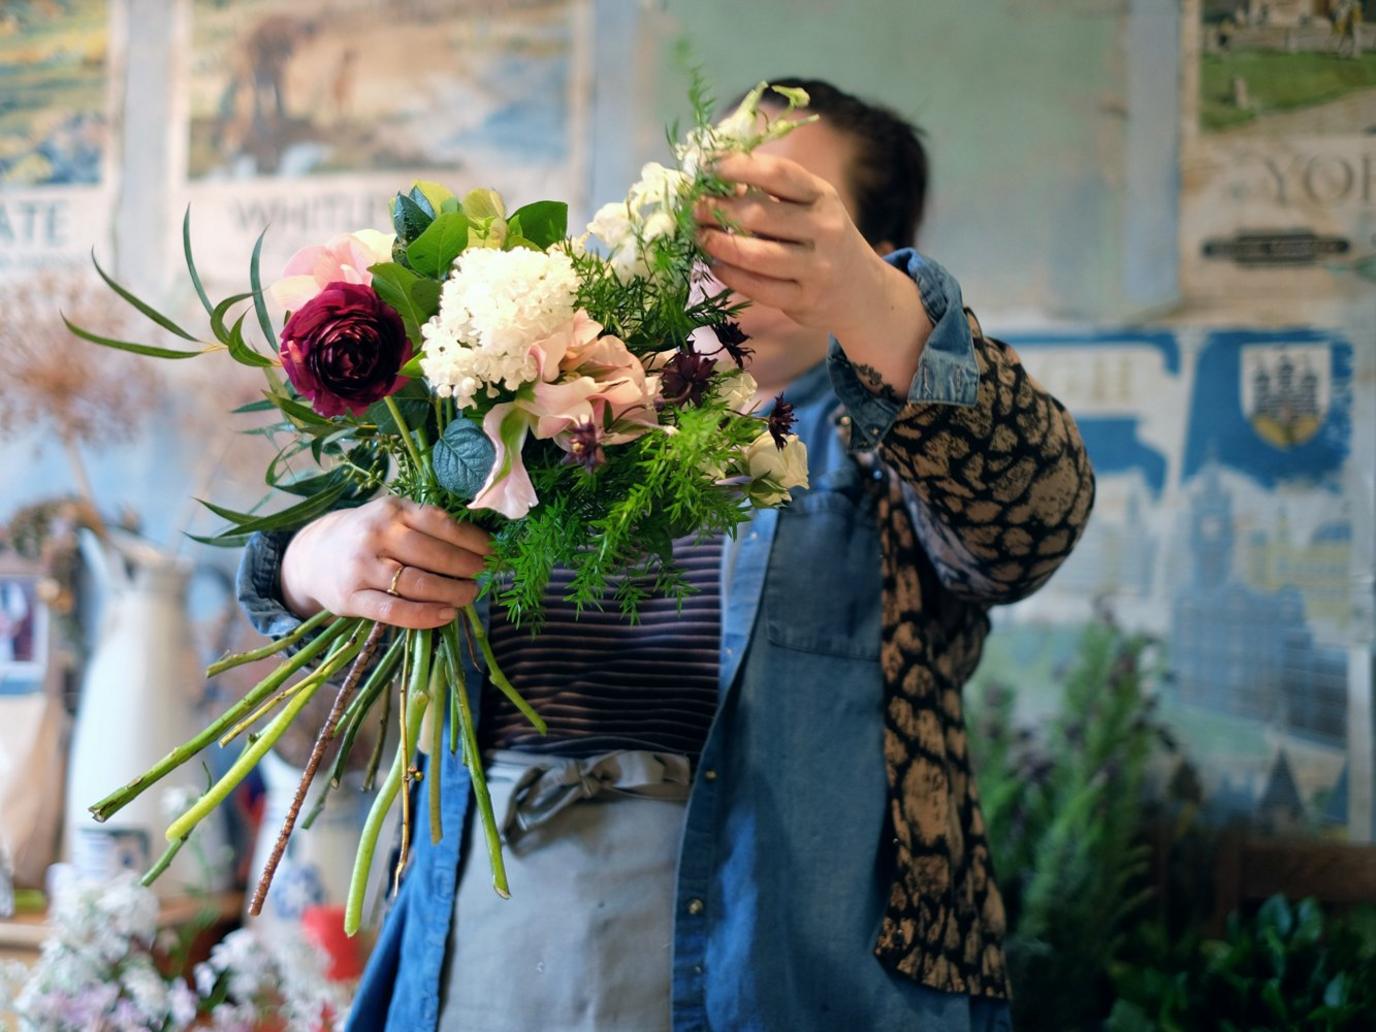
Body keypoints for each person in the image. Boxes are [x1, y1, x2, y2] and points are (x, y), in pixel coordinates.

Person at [238, 77, 1094, 1031]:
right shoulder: (550, 402)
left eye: (787, 224)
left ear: (875, 255)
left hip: (792, 981)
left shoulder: (888, 448)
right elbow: (335, 730)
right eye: (711, 212)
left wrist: (880, 307)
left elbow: (1031, 524)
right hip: (488, 963)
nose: (730, 252)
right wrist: (310, 567)